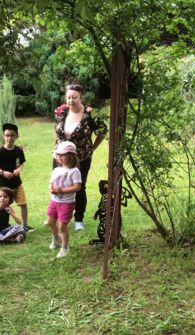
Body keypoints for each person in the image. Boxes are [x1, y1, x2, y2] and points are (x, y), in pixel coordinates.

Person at [53, 84, 108, 231]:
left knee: (79, 187)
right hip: (59, 158)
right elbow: (57, 130)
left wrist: (93, 148)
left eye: (74, 97)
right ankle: (58, 216)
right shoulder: (60, 111)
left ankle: (78, 220)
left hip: (81, 158)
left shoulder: (89, 115)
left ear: (81, 97)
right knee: (58, 185)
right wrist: (58, 148)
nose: (71, 100)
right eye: (69, 97)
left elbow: (103, 130)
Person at [0, 123, 32, 232]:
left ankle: (25, 225)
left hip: (17, 184)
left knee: (23, 204)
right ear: (3, 136)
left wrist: (18, 170)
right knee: (2, 207)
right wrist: (3, 172)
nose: (9, 138)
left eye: (12, 135)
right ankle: (0, 226)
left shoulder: (18, 151)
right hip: (4, 186)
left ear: (17, 136)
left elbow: (21, 163)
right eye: (7, 135)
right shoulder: (0, 153)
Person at [46, 141, 82, 258]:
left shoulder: (75, 171)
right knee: (51, 222)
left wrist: (61, 190)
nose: (59, 157)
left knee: (62, 226)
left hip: (67, 203)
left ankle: (64, 247)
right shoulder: (56, 170)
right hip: (54, 201)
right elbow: (51, 183)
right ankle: (56, 238)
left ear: (71, 156)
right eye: (58, 155)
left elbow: (77, 187)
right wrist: (51, 188)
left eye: (62, 155)